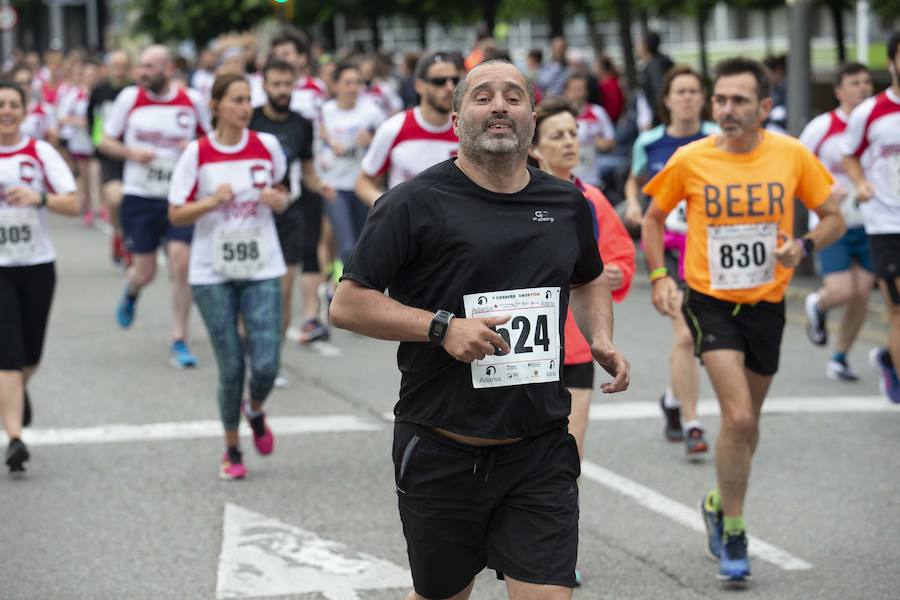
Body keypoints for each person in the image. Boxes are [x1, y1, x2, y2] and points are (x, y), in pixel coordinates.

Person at [331, 59, 629, 600]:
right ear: (456, 118)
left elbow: (588, 280)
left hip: (539, 448)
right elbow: (347, 304)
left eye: (513, 97)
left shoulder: (565, 204)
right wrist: (441, 328)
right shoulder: (412, 204)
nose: (498, 106)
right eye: (482, 96)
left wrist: (601, 337)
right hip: (444, 447)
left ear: (532, 116)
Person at [642, 57, 845, 582]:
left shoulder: (791, 155)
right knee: (737, 420)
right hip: (709, 300)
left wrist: (801, 247)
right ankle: (734, 529)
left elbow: (833, 218)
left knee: (747, 425)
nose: (726, 110)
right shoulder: (691, 159)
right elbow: (654, 216)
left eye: (739, 101)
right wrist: (662, 275)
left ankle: (716, 499)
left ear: (764, 107)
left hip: (767, 305)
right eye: (721, 100)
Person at [168, 73, 288, 479]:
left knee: (267, 363)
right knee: (232, 365)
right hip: (210, 271)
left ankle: (254, 409)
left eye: (247, 100)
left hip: (262, 264)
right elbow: (176, 213)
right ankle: (232, 449)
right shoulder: (196, 154)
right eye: (236, 100)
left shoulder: (266, 146)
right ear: (216, 105)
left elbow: (284, 192)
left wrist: (278, 199)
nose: (244, 108)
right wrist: (210, 202)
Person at [529, 96, 635, 461]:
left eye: (573, 134)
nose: (570, 142)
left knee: (571, 441)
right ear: (534, 146)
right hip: (523, 343)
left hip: (574, 343)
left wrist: (617, 274)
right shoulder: (516, 199)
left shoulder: (591, 199)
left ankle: (562, 515)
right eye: (557, 136)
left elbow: (619, 254)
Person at [624, 65, 719, 454]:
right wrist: (632, 203)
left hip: (709, 250)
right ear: (667, 100)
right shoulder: (649, 141)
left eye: (694, 91)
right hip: (668, 247)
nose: (687, 98)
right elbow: (635, 177)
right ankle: (693, 423)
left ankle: (672, 399)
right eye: (680, 91)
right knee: (685, 333)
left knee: (695, 335)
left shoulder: (715, 139)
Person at [99, 45, 212, 368]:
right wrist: (132, 153)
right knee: (145, 270)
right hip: (140, 194)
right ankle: (132, 290)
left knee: (181, 262)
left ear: (167, 68)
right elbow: (105, 141)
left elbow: (210, 141)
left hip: (179, 197)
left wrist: (190, 147)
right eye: (141, 65)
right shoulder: (129, 99)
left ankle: (179, 336)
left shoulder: (192, 100)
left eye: (149, 66)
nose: (141, 72)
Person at [0, 81, 80, 472]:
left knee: (30, 354)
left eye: (14, 104)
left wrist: (40, 198)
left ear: (25, 110)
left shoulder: (39, 152)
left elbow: (75, 202)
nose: (6, 111)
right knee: (8, 355)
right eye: (0, 104)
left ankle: (14, 394)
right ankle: (15, 439)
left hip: (36, 264)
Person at [249, 58, 334, 382]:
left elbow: (308, 170)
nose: (283, 91)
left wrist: (320, 185)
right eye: (276, 84)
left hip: (288, 214)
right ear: (265, 85)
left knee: (282, 292)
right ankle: (251, 349)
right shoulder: (252, 119)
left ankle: (272, 361)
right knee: (254, 291)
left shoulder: (301, 123)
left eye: (288, 84)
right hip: (253, 217)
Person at [800, 63, 875, 381]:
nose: (862, 88)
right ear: (839, 91)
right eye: (854, 83)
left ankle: (840, 356)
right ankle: (818, 302)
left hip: (872, 222)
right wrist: (825, 194)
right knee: (843, 290)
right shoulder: (822, 127)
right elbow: (797, 168)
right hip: (833, 221)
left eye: (867, 82)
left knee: (863, 292)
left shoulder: (879, 123)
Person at [841, 31, 900, 404]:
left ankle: (888, 358)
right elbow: (849, 155)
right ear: (892, 61)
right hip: (887, 223)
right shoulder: (870, 112)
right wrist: (860, 182)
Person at [355, 51, 460, 206]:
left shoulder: (467, 130)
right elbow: (363, 182)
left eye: (455, 80)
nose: (450, 87)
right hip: (407, 228)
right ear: (420, 86)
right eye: (439, 81)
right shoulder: (393, 128)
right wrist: (388, 208)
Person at [318, 62, 385, 263]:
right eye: (347, 83)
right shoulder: (324, 112)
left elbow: (386, 148)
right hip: (334, 186)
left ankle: (351, 289)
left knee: (363, 244)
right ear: (335, 85)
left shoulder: (371, 111)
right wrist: (329, 143)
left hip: (361, 186)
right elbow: (312, 150)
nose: (353, 88)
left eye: (357, 83)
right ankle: (339, 288)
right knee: (346, 245)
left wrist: (371, 142)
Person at [88, 49, 132, 267]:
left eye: (123, 67)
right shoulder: (99, 91)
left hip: (133, 154)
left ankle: (131, 242)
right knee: (115, 199)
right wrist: (98, 146)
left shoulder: (135, 91)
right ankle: (118, 233)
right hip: (108, 154)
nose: (119, 71)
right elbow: (92, 120)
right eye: (115, 67)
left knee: (131, 201)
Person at [57, 60, 99, 226]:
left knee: (98, 174)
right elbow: (62, 116)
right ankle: (87, 207)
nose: (90, 78)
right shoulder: (74, 95)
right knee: (85, 177)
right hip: (80, 142)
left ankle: (100, 206)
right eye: (87, 75)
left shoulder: (99, 94)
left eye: (93, 75)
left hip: (97, 142)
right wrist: (79, 122)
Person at [562, 73, 615, 188]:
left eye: (581, 89)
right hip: (567, 179)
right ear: (566, 92)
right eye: (574, 89)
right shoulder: (560, 116)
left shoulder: (598, 112)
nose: (578, 94)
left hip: (592, 178)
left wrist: (602, 143)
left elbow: (611, 141)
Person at [636, 31, 674, 127]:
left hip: (661, 121)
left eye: (639, 43)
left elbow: (658, 94)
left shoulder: (655, 66)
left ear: (646, 45)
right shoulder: (658, 62)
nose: (636, 47)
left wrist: (654, 121)